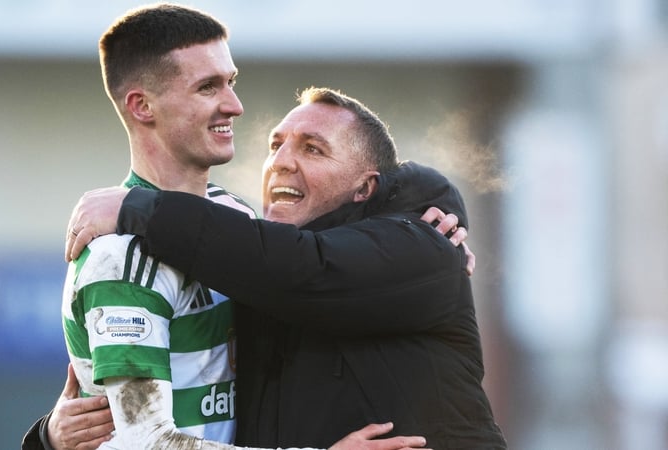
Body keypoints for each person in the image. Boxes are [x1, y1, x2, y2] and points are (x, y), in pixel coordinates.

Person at [23, 4, 434, 450]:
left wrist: (435, 209)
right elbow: (144, 443)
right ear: (143, 106)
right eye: (207, 88)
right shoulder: (119, 256)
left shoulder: (234, 216)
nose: (234, 106)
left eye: (231, 82)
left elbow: (328, 261)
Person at [62, 87, 506, 449]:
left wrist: (141, 207)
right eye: (276, 145)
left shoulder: (419, 248)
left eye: (313, 149)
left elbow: (305, 269)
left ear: (364, 188)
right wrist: (53, 435)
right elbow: (174, 397)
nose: (282, 161)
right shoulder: (256, 274)